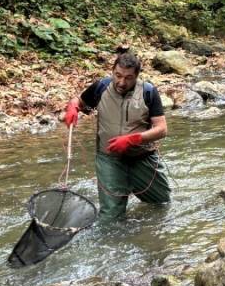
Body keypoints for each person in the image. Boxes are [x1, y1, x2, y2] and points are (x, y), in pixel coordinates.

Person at [63, 47, 173, 223]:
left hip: (142, 157)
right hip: (109, 158)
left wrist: (132, 139)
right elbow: (79, 101)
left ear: (136, 76)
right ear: (113, 71)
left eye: (128, 78)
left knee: (162, 203)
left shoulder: (148, 92)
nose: (121, 82)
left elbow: (162, 129)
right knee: (110, 217)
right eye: (118, 75)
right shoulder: (101, 87)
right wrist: (72, 108)